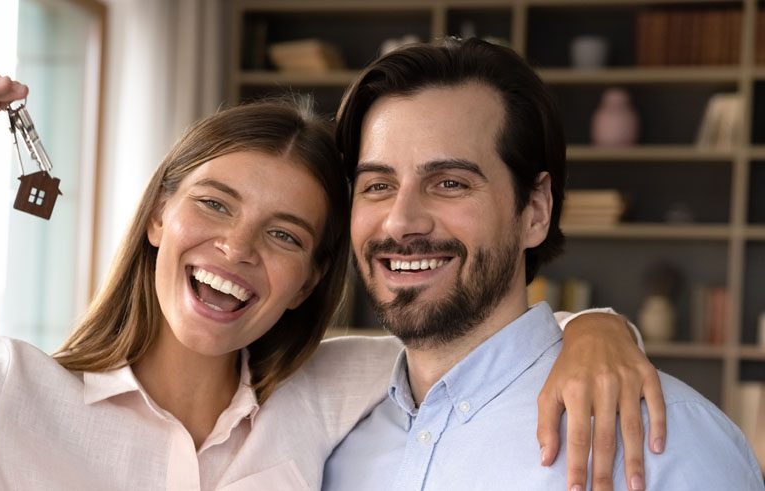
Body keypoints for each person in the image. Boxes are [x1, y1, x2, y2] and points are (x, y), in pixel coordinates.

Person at [0, 57, 657, 490]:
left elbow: (474, 342)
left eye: (286, 236)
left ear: (314, 273)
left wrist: (596, 325)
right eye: (213, 205)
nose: (236, 250)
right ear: (158, 215)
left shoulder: (340, 389)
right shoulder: (2, 403)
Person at [322, 38, 763, 491]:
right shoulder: (326, 443)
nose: (401, 221)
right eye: (377, 185)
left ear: (535, 210)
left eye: (450, 182)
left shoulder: (669, 443)